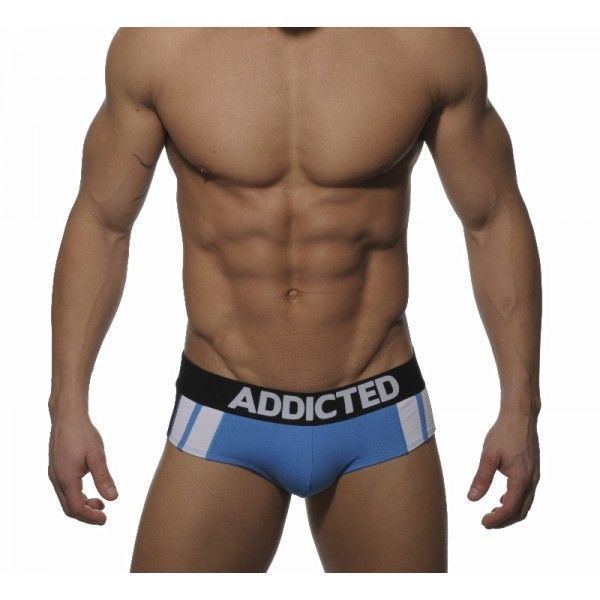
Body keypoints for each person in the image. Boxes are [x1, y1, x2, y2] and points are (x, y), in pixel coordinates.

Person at [47, 27, 542, 572]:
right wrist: (67, 406)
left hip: (377, 409)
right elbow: (103, 222)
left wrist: (521, 407)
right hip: (224, 406)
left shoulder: (424, 42)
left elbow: (493, 218)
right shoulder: (162, 43)